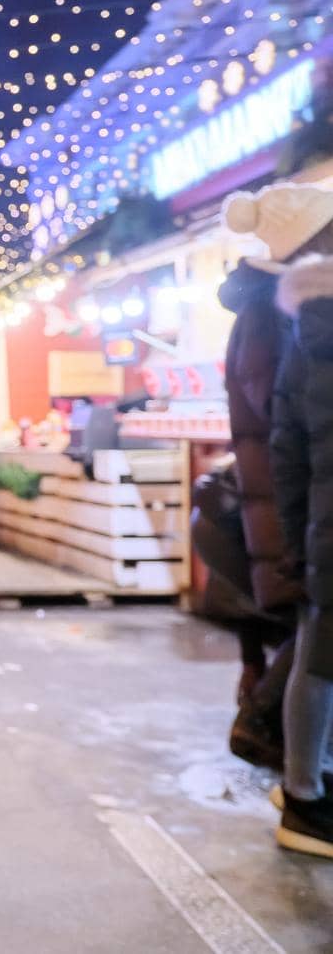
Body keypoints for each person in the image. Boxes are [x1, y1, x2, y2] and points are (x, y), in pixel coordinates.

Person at [218, 184, 317, 771]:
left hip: (283, 492)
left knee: (313, 620)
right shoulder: (271, 317)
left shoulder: (271, 311)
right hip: (285, 496)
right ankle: (263, 725)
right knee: (314, 618)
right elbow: (290, 413)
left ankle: (274, 729)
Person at [268, 230, 333, 860]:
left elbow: (285, 454)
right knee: (318, 663)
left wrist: (297, 538)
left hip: (322, 529)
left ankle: (307, 788)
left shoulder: (303, 342)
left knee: (318, 659)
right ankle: (305, 796)